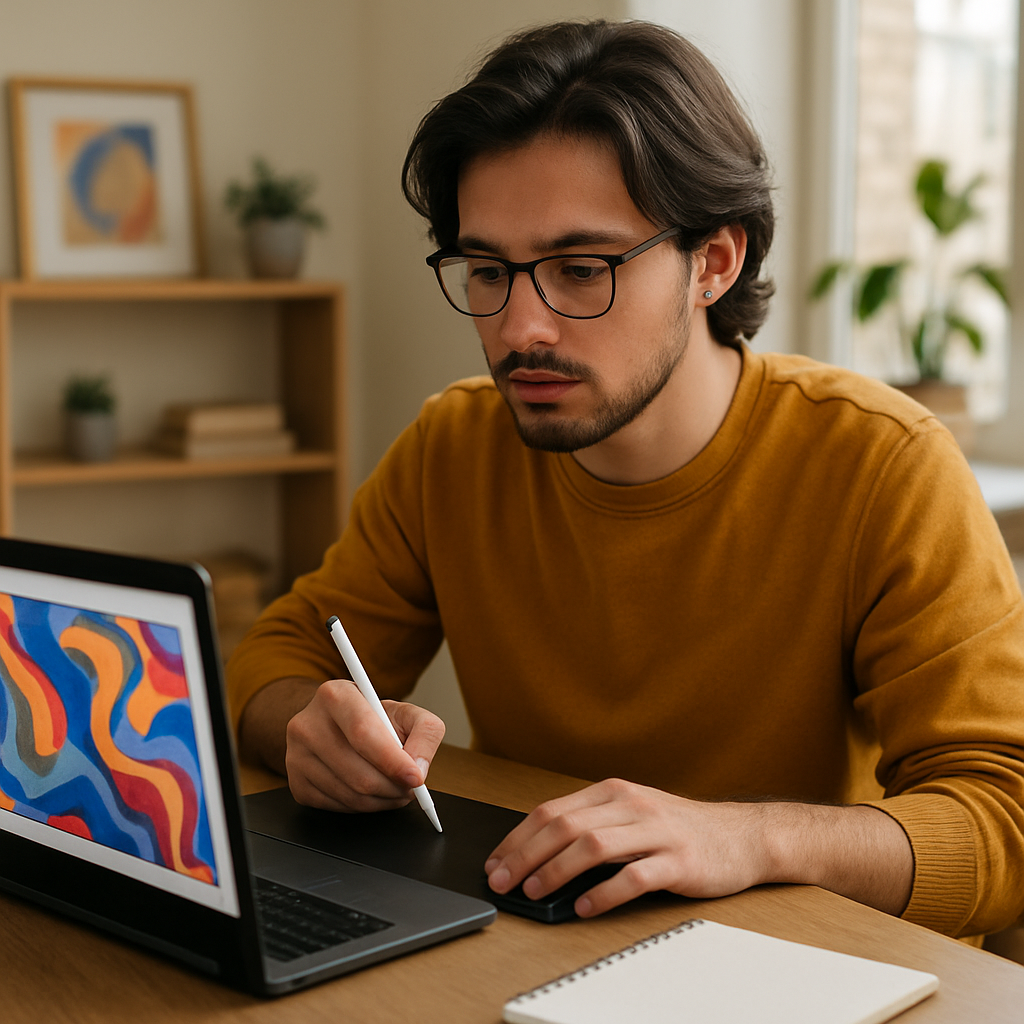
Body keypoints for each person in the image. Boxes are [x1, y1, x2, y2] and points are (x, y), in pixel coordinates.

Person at [227, 19, 1024, 940]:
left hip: (794, 962)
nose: (521, 325)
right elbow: (277, 654)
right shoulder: (455, 445)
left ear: (713, 263)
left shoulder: (882, 463)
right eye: (488, 269)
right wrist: (306, 729)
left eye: (580, 268)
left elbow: (1001, 820)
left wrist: (746, 838)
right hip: (529, 940)